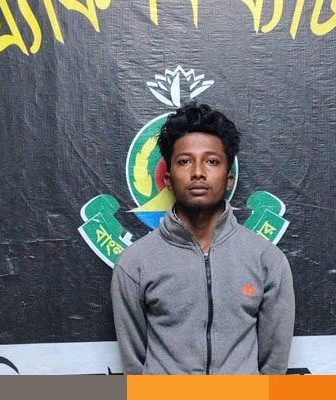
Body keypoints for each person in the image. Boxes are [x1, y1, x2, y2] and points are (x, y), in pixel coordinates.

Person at [111, 103, 295, 374]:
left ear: (229, 178)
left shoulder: (266, 260)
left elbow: (274, 364)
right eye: (185, 161)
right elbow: (134, 364)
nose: (198, 172)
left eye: (212, 161)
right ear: (168, 179)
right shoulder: (135, 264)